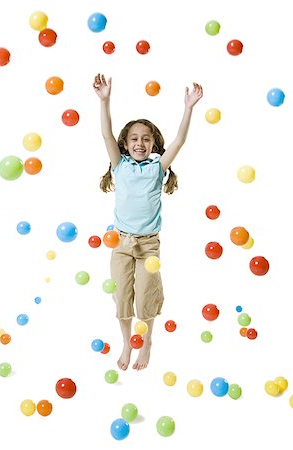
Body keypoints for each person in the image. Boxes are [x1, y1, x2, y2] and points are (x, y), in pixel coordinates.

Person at [93, 73, 203, 371]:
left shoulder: (157, 166)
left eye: (145, 139)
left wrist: (188, 107)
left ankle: (147, 342)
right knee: (122, 297)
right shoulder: (120, 164)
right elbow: (106, 135)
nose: (139, 143)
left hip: (148, 245)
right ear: (125, 144)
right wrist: (105, 101)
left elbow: (179, 141)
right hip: (121, 242)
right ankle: (128, 343)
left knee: (146, 296)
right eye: (134, 139)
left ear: (153, 144)